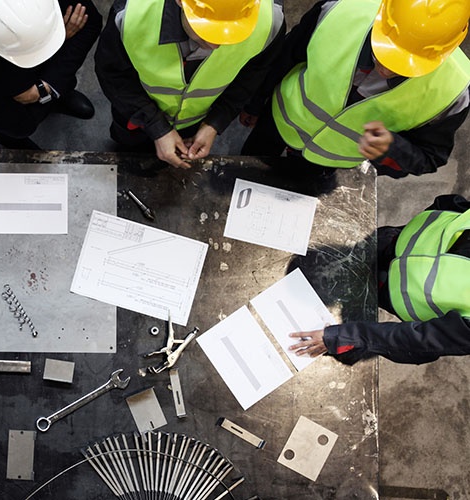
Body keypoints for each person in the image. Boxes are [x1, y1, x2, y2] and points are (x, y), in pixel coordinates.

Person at [241, 0, 470, 178]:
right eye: (385, 52)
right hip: (278, 120)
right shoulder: (340, 10)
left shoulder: (452, 92)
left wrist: (392, 148)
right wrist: (254, 103)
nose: (387, 69)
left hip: (330, 160)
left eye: (404, 65)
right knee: (247, 169)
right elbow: (286, 56)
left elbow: (429, 158)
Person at [95, 0, 285, 169]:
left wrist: (214, 123)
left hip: (195, 123)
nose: (217, 44)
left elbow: (252, 76)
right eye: (207, 30)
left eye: (232, 32)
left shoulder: (270, 21)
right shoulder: (131, 15)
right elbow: (112, 74)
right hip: (136, 116)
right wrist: (157, 127)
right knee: (130, 159)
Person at [288, 194, 470, 365]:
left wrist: (343, 337)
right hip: (388, 242)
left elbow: (421, 342)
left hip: (389, 290)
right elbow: (453, 206)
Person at [0, 0, 102, 150]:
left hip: (41, 73)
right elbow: (13, 122)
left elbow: (90, 22)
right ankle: (16, 146)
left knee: (59, 84)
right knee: (16, 129)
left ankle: (56, 98)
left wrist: (47, 86)